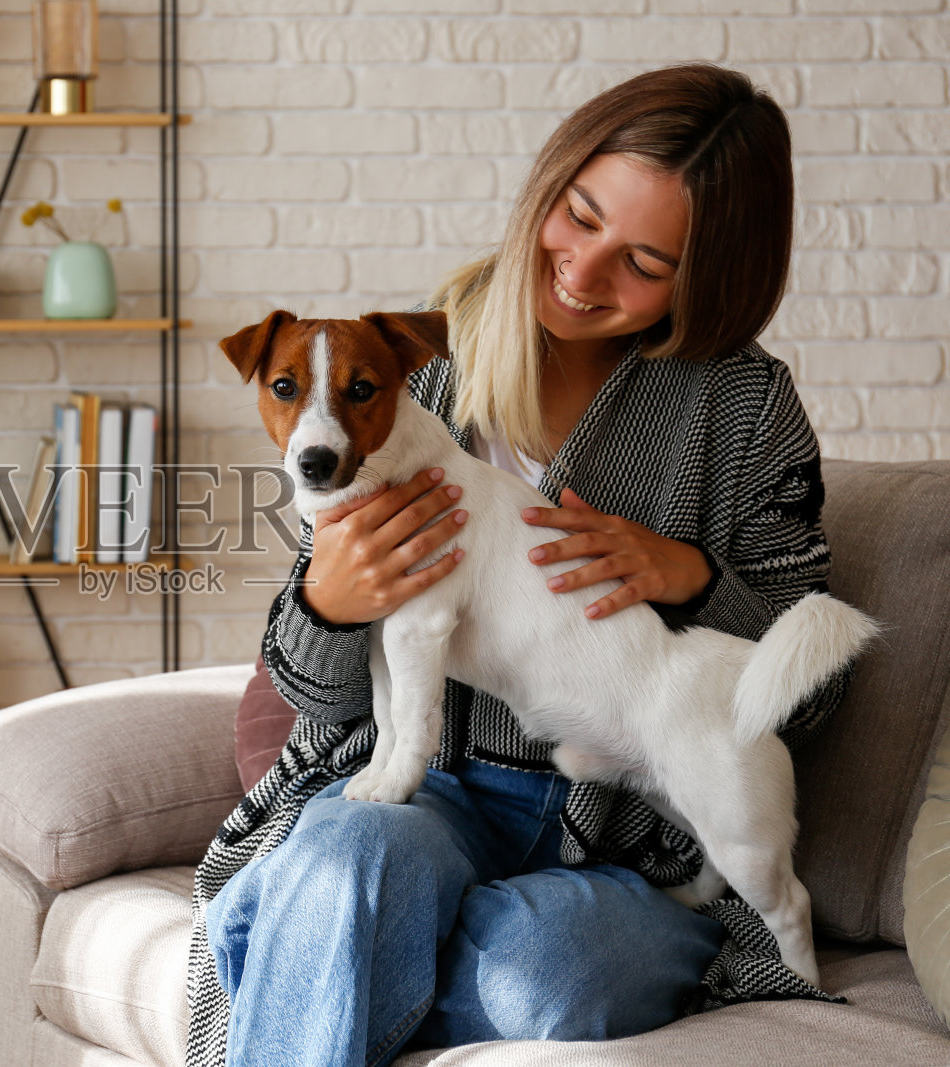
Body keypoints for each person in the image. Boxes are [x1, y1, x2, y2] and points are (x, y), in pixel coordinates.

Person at [186, 63, 851, 1067]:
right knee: (349, 855)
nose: (583, 272)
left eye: (644, 260)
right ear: (548, 184)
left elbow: (808, 694)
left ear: (709, 275)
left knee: (546, 970)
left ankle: (307, 945)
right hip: (431, 795)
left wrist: (692, 578)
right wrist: (328, 601)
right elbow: (316, 697)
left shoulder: (743, 407)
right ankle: (333, 922)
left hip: (629, 837)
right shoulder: (402, 365)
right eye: (578, 216)